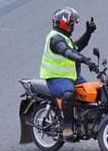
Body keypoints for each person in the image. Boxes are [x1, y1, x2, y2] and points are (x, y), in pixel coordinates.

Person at [40, 7, 97, 138]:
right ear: (64, 23)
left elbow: (76, 48)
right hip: (56, 78)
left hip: (71, 76)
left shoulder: (65, 38)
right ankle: (67, 127)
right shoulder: (55, 39)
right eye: (72, 24)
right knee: (69, 93)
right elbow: (68, 52)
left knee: (90, 93)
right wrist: (84, 60)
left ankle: (91, 125)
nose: (73, 27)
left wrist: (88, 33)